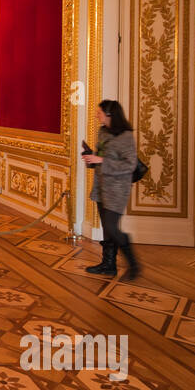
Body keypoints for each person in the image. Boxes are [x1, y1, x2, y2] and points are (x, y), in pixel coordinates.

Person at [82, 99, 140, 280]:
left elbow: (129, 165)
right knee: (107, 229)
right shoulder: (103, 132)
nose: (96, 115)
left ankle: (134, 265)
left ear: (109, 114)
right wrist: (92, 157)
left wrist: (101, 161)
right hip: (101, 186)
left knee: (112, 228)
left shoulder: (126, 136)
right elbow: (101, 157)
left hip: (117, 189)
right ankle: (108, 265)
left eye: (99, 112)